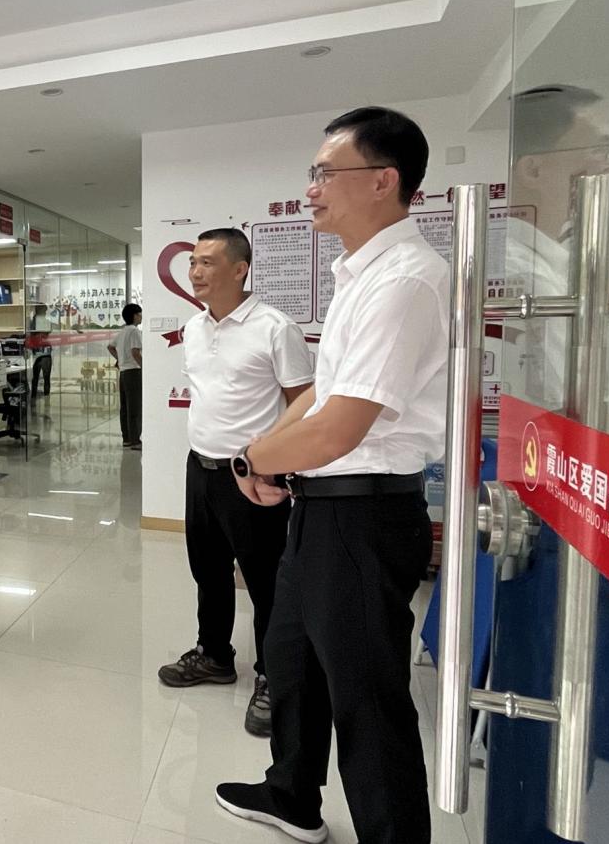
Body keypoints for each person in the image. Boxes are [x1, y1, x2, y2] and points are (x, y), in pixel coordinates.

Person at [214, 107, 446, 844]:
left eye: (324, 173)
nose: (310, 188)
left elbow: (343, 425)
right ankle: (292, 794)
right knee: (292, 658)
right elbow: (320, 392)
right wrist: (262, 448)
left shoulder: (405, 280)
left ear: (383, 180)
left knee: (366, 699)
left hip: (363, 515)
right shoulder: (361, 271)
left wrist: (255, 460)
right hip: (321, 507)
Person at [157, 228, 313, 738]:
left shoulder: (274, 328)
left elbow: (303, 402)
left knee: (266, 580)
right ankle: (215, 655)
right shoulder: (195, 327)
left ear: (240, 268)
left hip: (253, 476)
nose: (195, 272)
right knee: (208, 570)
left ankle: (272, 674)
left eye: (206, 262)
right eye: (192, 262)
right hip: (200, 468)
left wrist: (274, 464)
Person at [108, 303, 143, 449]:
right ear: (134, 316)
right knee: (135, 407)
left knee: (125, 407)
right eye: (140, 314)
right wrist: (144, 367)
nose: (141, 317)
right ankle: (135, 440)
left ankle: (127, 438)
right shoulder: (134, 331)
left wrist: (120, 359)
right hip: (133, 372)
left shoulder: (122, 332)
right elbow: (135, 352)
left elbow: (110, 347)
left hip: (123, 373)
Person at [29, 303, 53, 398]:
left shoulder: (45, 321)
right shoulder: (33, 323)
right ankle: (34, 397)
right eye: (44, 311)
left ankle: (45, 398)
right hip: (38, 353)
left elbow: (47, 333)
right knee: (36, 378)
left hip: (44, 352)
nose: (45, 313)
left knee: (44, 377)